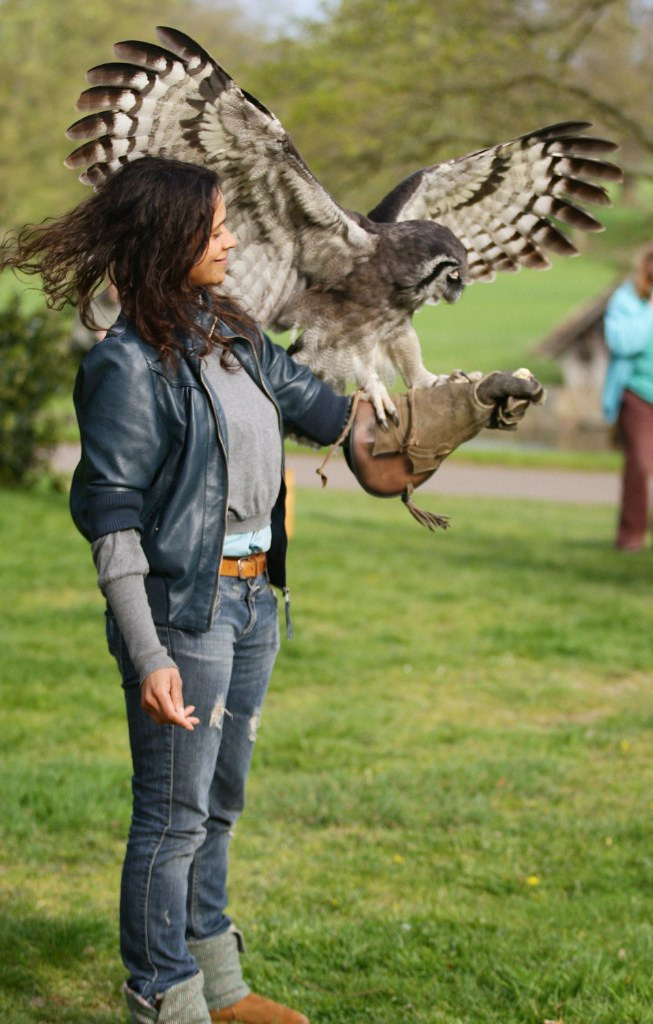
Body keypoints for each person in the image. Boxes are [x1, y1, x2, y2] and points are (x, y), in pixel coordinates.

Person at [2, 155, 542, 1024]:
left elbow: (354, 439)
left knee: (217, 805)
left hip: (255, 604)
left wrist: (463, 407)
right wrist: (147, 653)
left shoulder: (237, 335)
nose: (234, 238)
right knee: (172, 816)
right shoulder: (126, 368)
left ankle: (218, 986)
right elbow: (111, 525)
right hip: (186, 611)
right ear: (170, 239)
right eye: (217, 227)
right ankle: (162, 998)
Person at [603, 244, 653, 551]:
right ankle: (631, 536)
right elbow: (622, 342)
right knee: (640, 464)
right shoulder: (627, 300)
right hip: (638, 395)